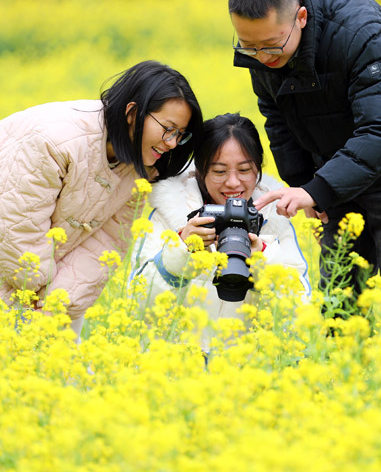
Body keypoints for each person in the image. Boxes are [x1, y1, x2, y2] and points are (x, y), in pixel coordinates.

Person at [228, 0, 381, 291]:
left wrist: (317, 190)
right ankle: (343, 343)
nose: (261, 58)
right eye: (249, 47)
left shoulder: (358, 30)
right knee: (340, 284)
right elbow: (279, 119)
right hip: (334, 156)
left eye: (272, 46)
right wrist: (308, 190)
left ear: (301, 17)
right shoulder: (264, 49)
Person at [0, 60, 203, 336]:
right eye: (167, 129)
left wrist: (57, 301)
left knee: (59, 335)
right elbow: (15, 226)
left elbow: (108, 240)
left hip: (52, 225)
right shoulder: (52, 141)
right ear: (132, 113)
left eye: (180, 135)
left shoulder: (144, 163)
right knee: (0, 332)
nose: (172, 143)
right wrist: (33, 287)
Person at [131, 113, 311, 346]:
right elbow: (138, 303)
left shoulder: (273, 219)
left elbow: (298, 316)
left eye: (244, 170)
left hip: (245, 372)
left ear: (258, 169)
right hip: (178, 367)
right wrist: (182, 250)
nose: (233, 183)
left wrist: (262, 260)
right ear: (200, 171)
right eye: (219, 171)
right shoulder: (171, 215)